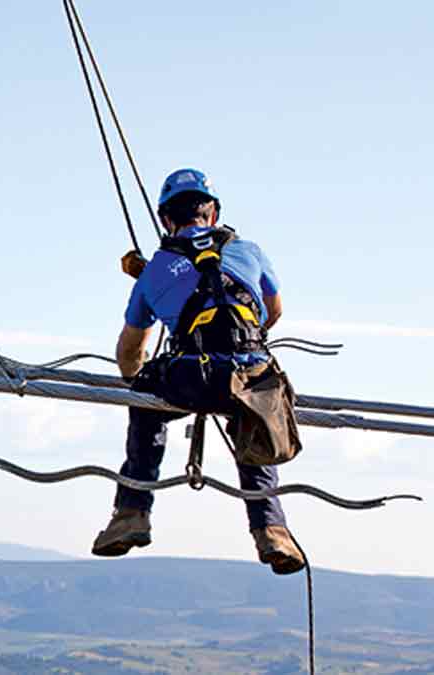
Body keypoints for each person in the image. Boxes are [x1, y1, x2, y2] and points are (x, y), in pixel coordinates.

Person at [92, 168, 305, 575]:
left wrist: (134, 379)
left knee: (146, 400)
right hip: (250, 371)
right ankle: (272, 531)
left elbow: (130, 350)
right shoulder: (250, 251)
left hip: (191, 375)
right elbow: (273, 310)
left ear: (166, 220)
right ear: (212, 213)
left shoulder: (154, 270)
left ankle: (131, 513)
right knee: (254, 416)